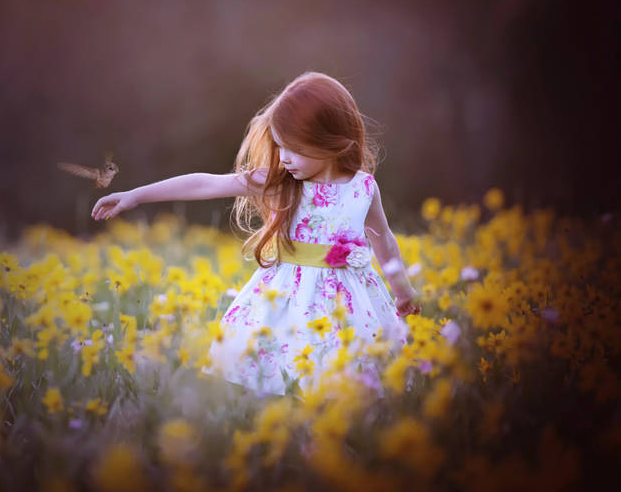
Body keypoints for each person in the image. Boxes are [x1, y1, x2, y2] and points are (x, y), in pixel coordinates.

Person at [90, 71, 420, 397]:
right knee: (284, 376)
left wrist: (402, 290)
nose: (285, 158)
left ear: (330, 140)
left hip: (348, 303)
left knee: (346, 381)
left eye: (294, 148)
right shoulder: (280, 181)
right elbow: (207, 183)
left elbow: (383, 239)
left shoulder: (363, 187)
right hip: (288, 300)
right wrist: (135, 195)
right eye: (280, 147)